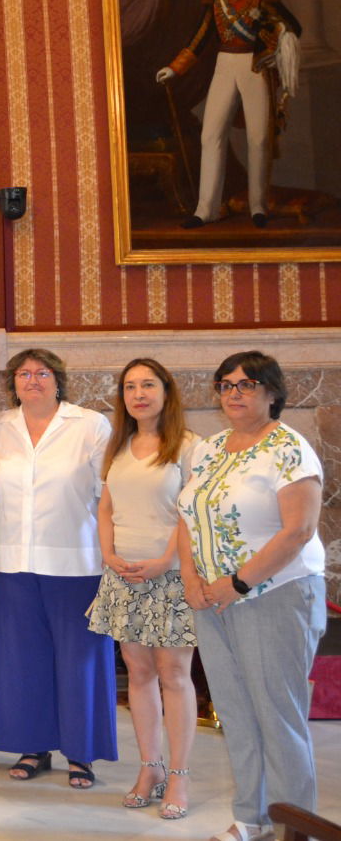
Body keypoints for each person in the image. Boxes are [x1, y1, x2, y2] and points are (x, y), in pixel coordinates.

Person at [178, 351, 325, 841]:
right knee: (236, 714)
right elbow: (187, 516)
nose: (234, 393)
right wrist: (190, 578)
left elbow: (299, 530)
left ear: (271, 392)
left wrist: (238, 582)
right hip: (212, 600)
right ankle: (251, 818)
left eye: (247, 384)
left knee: (277, 716)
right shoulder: (210, 448)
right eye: (226, 385)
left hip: (275, 594)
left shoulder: (289, 448)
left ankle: (293, 828)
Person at [0, 347, 116, 787]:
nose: (33, 381)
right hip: (12, 562)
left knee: (80, 662)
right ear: (13, 383)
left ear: (58, 380)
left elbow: (108, 495)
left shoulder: (90, 425)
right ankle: (32, 746)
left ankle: (81, 752)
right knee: (23, 661)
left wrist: (112, 553)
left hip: (76, 562)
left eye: (42, 373)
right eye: (24, 374)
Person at [85, 358, 197, 819]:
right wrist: (108, 554)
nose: (139, 394)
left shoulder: (188, 446)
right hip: (124, 576)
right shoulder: (118, 446)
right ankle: (151, 767)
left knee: (174, 674)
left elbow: (192, 514)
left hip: (170, 577)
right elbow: (106, 508)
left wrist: (167, 559)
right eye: (130, 387)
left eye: (148, 385)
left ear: (166, 391)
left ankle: (179, 777)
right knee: (139, 673)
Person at [155, 0, 301, 229]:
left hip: (254, 67)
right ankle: (206, 209)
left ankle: (258, 207)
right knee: (211, 136)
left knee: (258, 138)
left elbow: (292, 28)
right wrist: (175, 68)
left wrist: (275, 46)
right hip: (224, 65)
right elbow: (200, 38)